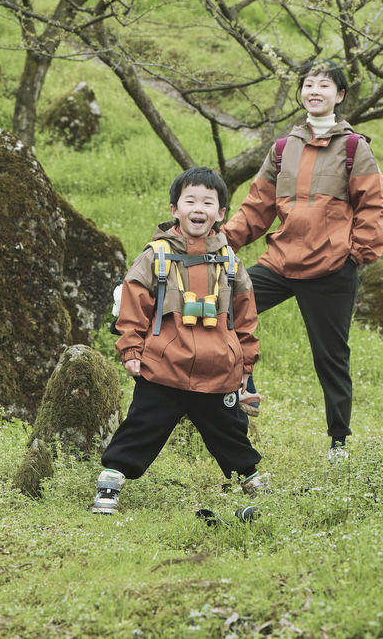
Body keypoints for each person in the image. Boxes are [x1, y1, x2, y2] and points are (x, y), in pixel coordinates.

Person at [222, 61, 383, 461]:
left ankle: (339, 442)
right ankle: (243, 389)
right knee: (223, 302)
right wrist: (222, 242)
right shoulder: (283, 148)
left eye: (325, 85)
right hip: (281, 261)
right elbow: (257, 206)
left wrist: (357, 254)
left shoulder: (353, 148)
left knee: (331, 356)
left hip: (332, 267)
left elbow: (374, 205)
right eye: (309, 84)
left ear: (340, 95)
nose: (315, 91)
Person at [92, 166, 266, 514]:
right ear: (175, 208)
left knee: (231, 432)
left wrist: (245, 365)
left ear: (221, 213)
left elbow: (245, 320)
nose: (197, 209)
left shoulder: (230, 262)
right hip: (163, 368)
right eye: (189, 201)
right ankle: (110, 483)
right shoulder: (155, 256)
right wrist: (130, 349)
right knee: (141, 426)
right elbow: (133, 304)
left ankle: (253, 482)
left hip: (217, 370)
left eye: (207, 202)